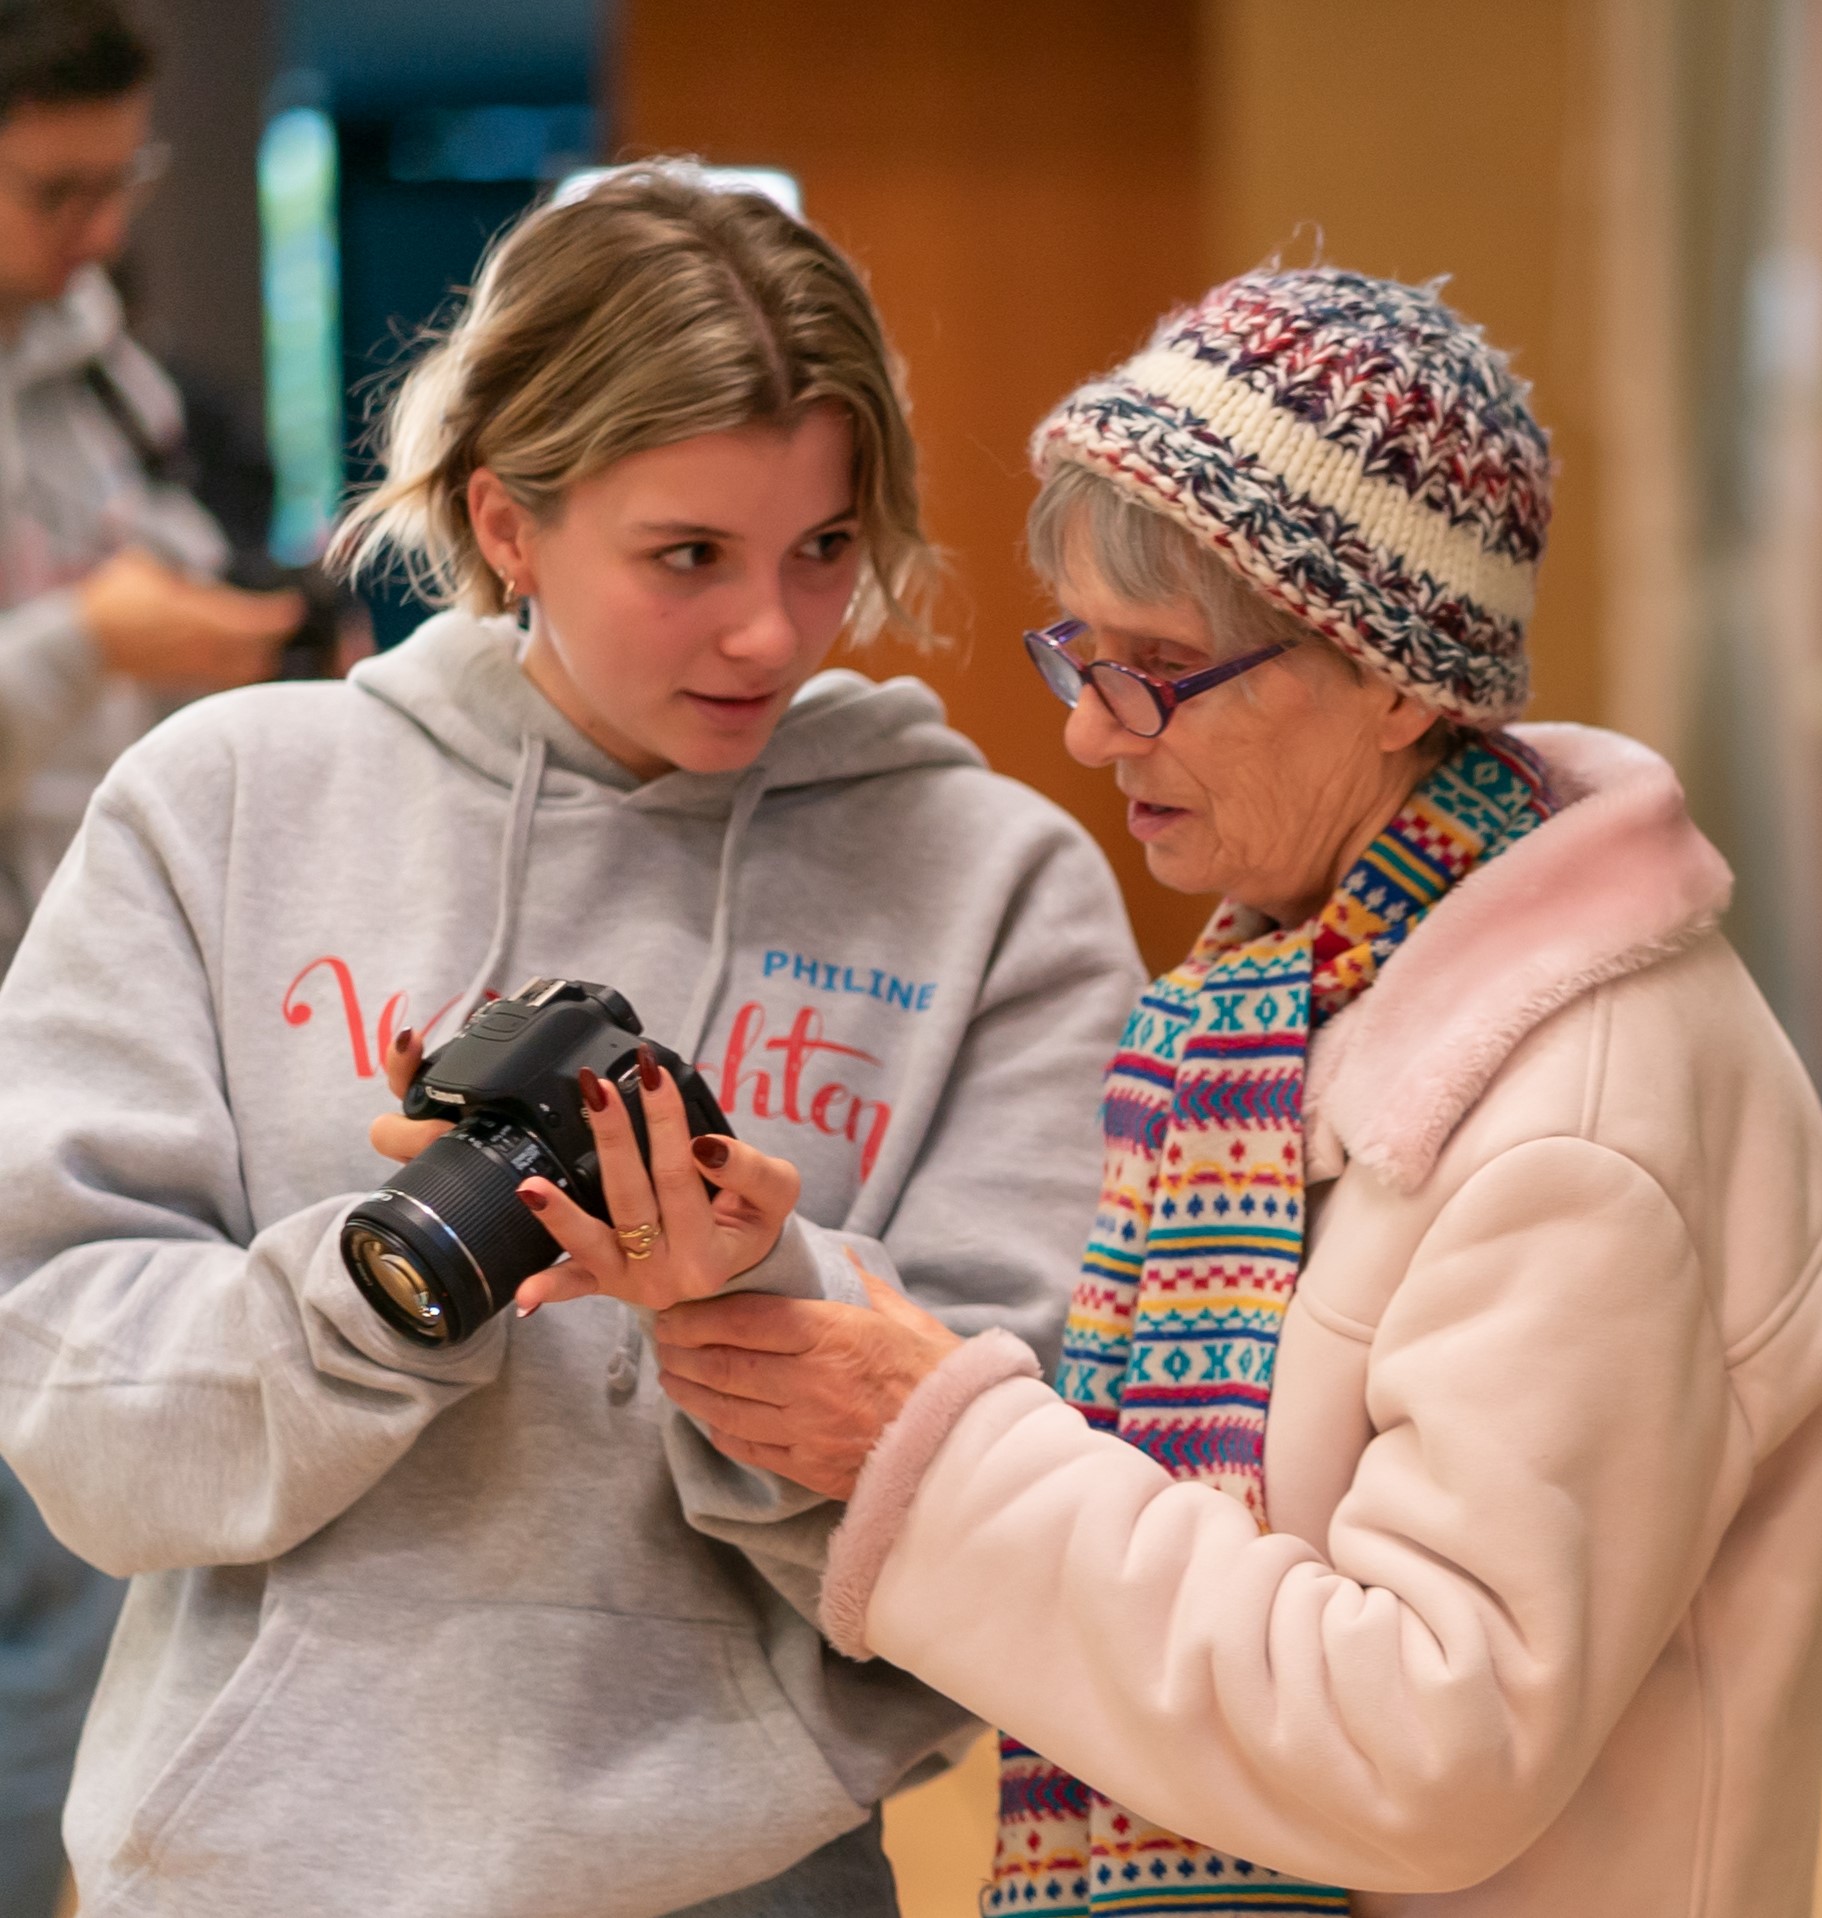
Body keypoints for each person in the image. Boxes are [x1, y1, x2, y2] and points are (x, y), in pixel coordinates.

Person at [642, 268, 1822, 1917]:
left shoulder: (1579, 1121)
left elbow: (1423, 1749)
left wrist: (936, 1452)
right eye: (1077, 650)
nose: (1091, 731)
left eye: (1158, 666)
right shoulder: (1288, 988)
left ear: (1390, 681)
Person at [0, 166, 1141, 1917]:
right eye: (687, 555)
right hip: (252, 1867)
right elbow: (71, 1408)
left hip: (754, 1868)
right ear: (509, 526)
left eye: (822, 548)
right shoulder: (223, 806)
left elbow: (1035, 1487)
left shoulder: (991, 885)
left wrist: (756, 1291)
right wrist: (372, 1303)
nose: (769, 628)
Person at [0, 4, 300, 1909]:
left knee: (86, 1589)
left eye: (127, 182)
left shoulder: (116, 376)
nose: (101, 229)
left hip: (106, 1035)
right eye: (54, 190)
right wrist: (80, 643)